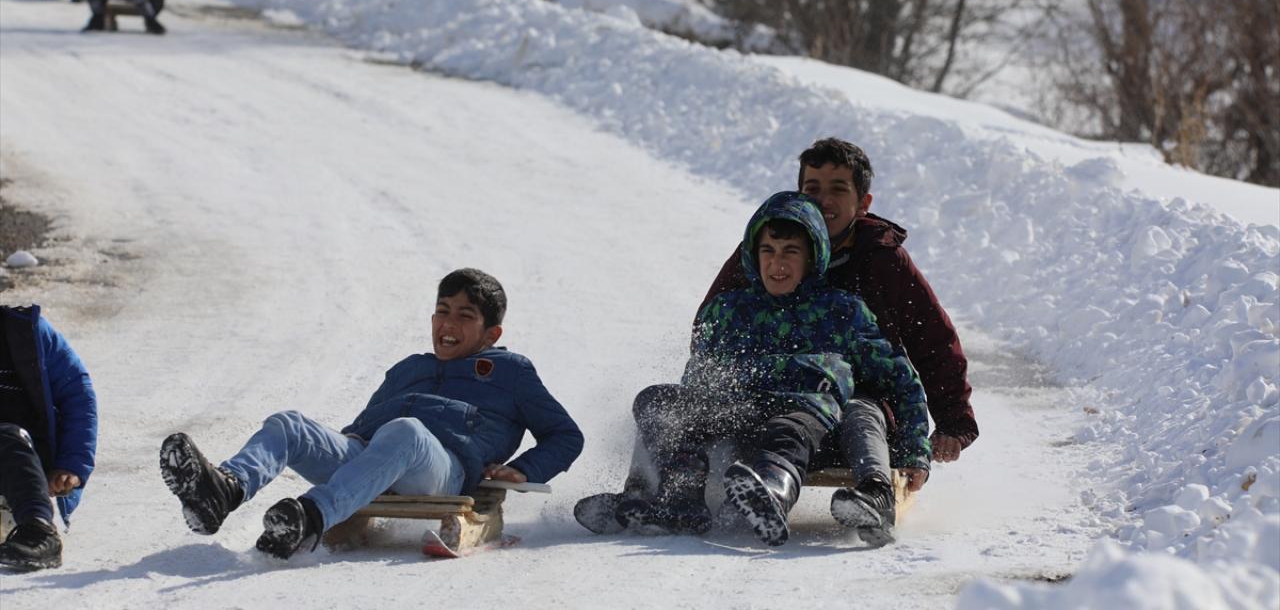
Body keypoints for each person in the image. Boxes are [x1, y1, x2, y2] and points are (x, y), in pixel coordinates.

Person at [576, 138, 975, 533]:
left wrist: (945, 428)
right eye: (812, 189)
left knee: (857, 408)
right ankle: (653, 494)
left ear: (863, 202)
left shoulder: (875, 269)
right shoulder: (752, 270)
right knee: (661, 403)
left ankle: (869, 492)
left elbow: (929, 344)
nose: (824, 201)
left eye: (839, 189)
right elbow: (708, 342)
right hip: (750, 404)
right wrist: (697, 404)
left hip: (834, 405)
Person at [160, 268, 584, 560]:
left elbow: (565, 435)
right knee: (289, 424)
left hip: (443, 470)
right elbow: (363, 429)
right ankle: (224, 491)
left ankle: (312, 516)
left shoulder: (511, 372)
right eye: (442, 311)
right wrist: (340, 452)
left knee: (406, 431)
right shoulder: (408, 368)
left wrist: (525, 469)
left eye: (464, 316)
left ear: (491, 333)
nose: (447, 323)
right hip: (375, 453)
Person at [610, 192, 930, 547]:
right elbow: (698, 377)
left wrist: (914, 451)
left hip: (805, 416)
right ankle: (670, 494)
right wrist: (689, 415)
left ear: (811, 257)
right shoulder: (727, 311)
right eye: (769, 252)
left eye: (790, 252)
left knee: (786, 428)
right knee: (657, 400)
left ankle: (773, 493)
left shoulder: (841, 312)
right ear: (754, 255)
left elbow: (901, 380)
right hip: (736, 413)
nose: (778, 264)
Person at [0, 305, 98, 571]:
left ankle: (39, 530)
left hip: (21, 479)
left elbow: (77, 395)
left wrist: (71, 465)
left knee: (7, 436)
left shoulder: (26, 333)